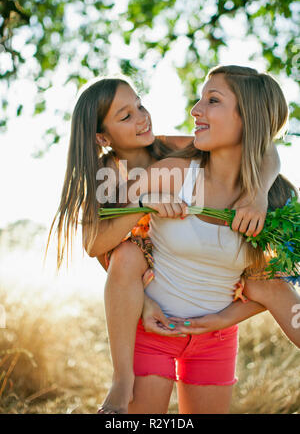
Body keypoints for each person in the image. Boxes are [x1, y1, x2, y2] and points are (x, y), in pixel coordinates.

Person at [48, 73, 282, 414]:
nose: (142, 118)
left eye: (140, 106)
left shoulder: (170, 147)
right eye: (126, 116)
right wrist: (145, 205)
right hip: (140, 276)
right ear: (102, 136)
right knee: (127, 255)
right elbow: (93, 244)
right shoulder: (108, 173)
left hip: (187, 271)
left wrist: (259, 194)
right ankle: (121, 379)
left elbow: (262, 147)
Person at [112, 65, 299, 414]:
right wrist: (140, 301)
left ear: (250, 119)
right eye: (200, 99)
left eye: (212, 100)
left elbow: (272, 284)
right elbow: (104, 241)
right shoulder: (174, 168)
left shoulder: (276, 199)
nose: (195, 110)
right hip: (155, 330)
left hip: (216, 341)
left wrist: (228, 317)